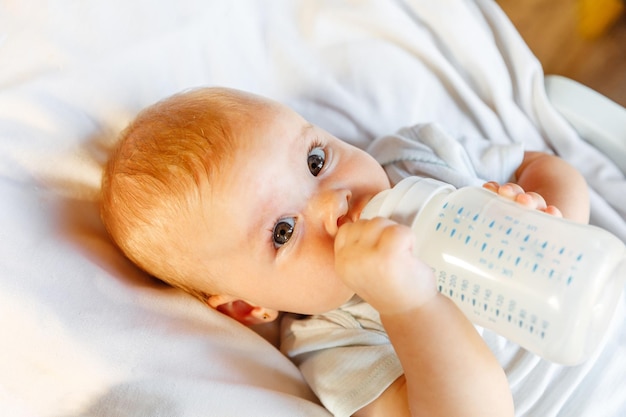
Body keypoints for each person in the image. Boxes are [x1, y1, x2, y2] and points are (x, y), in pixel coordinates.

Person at [100, 87, 590, 417]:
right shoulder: (332, 347)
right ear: (249, 308)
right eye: (283, 231)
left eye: (316, 160)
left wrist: (549, 219)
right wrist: (411, 305)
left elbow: (541, 165)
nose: (333, 203)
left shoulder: (414, 157)